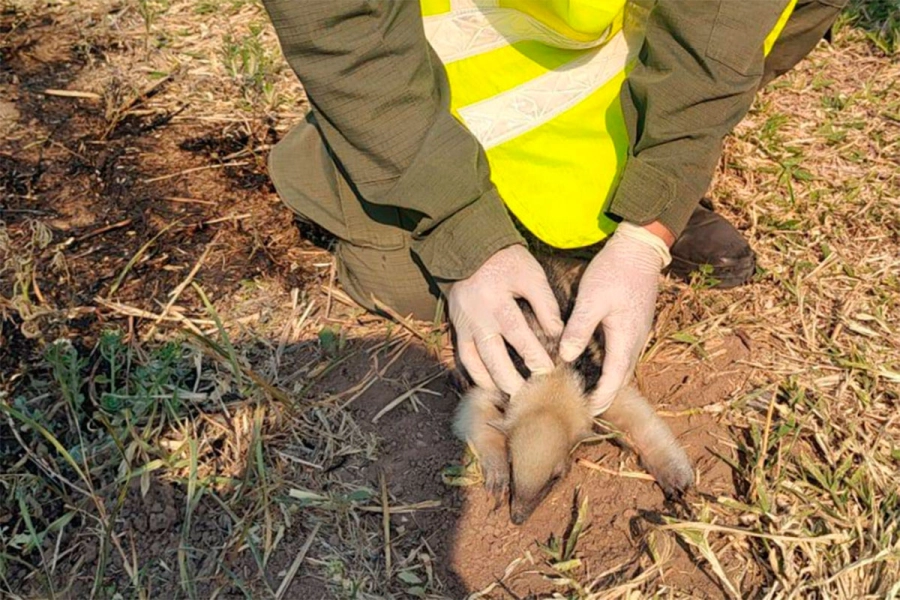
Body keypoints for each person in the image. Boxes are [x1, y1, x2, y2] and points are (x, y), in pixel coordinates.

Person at [260, 0, 846, 413]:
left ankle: (634, 171)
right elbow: (342, 26)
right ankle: (420, 183)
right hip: (447, 82)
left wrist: (654, 216)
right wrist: (459, 228)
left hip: (612, 64)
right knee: (404, 286)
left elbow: (721, 27)